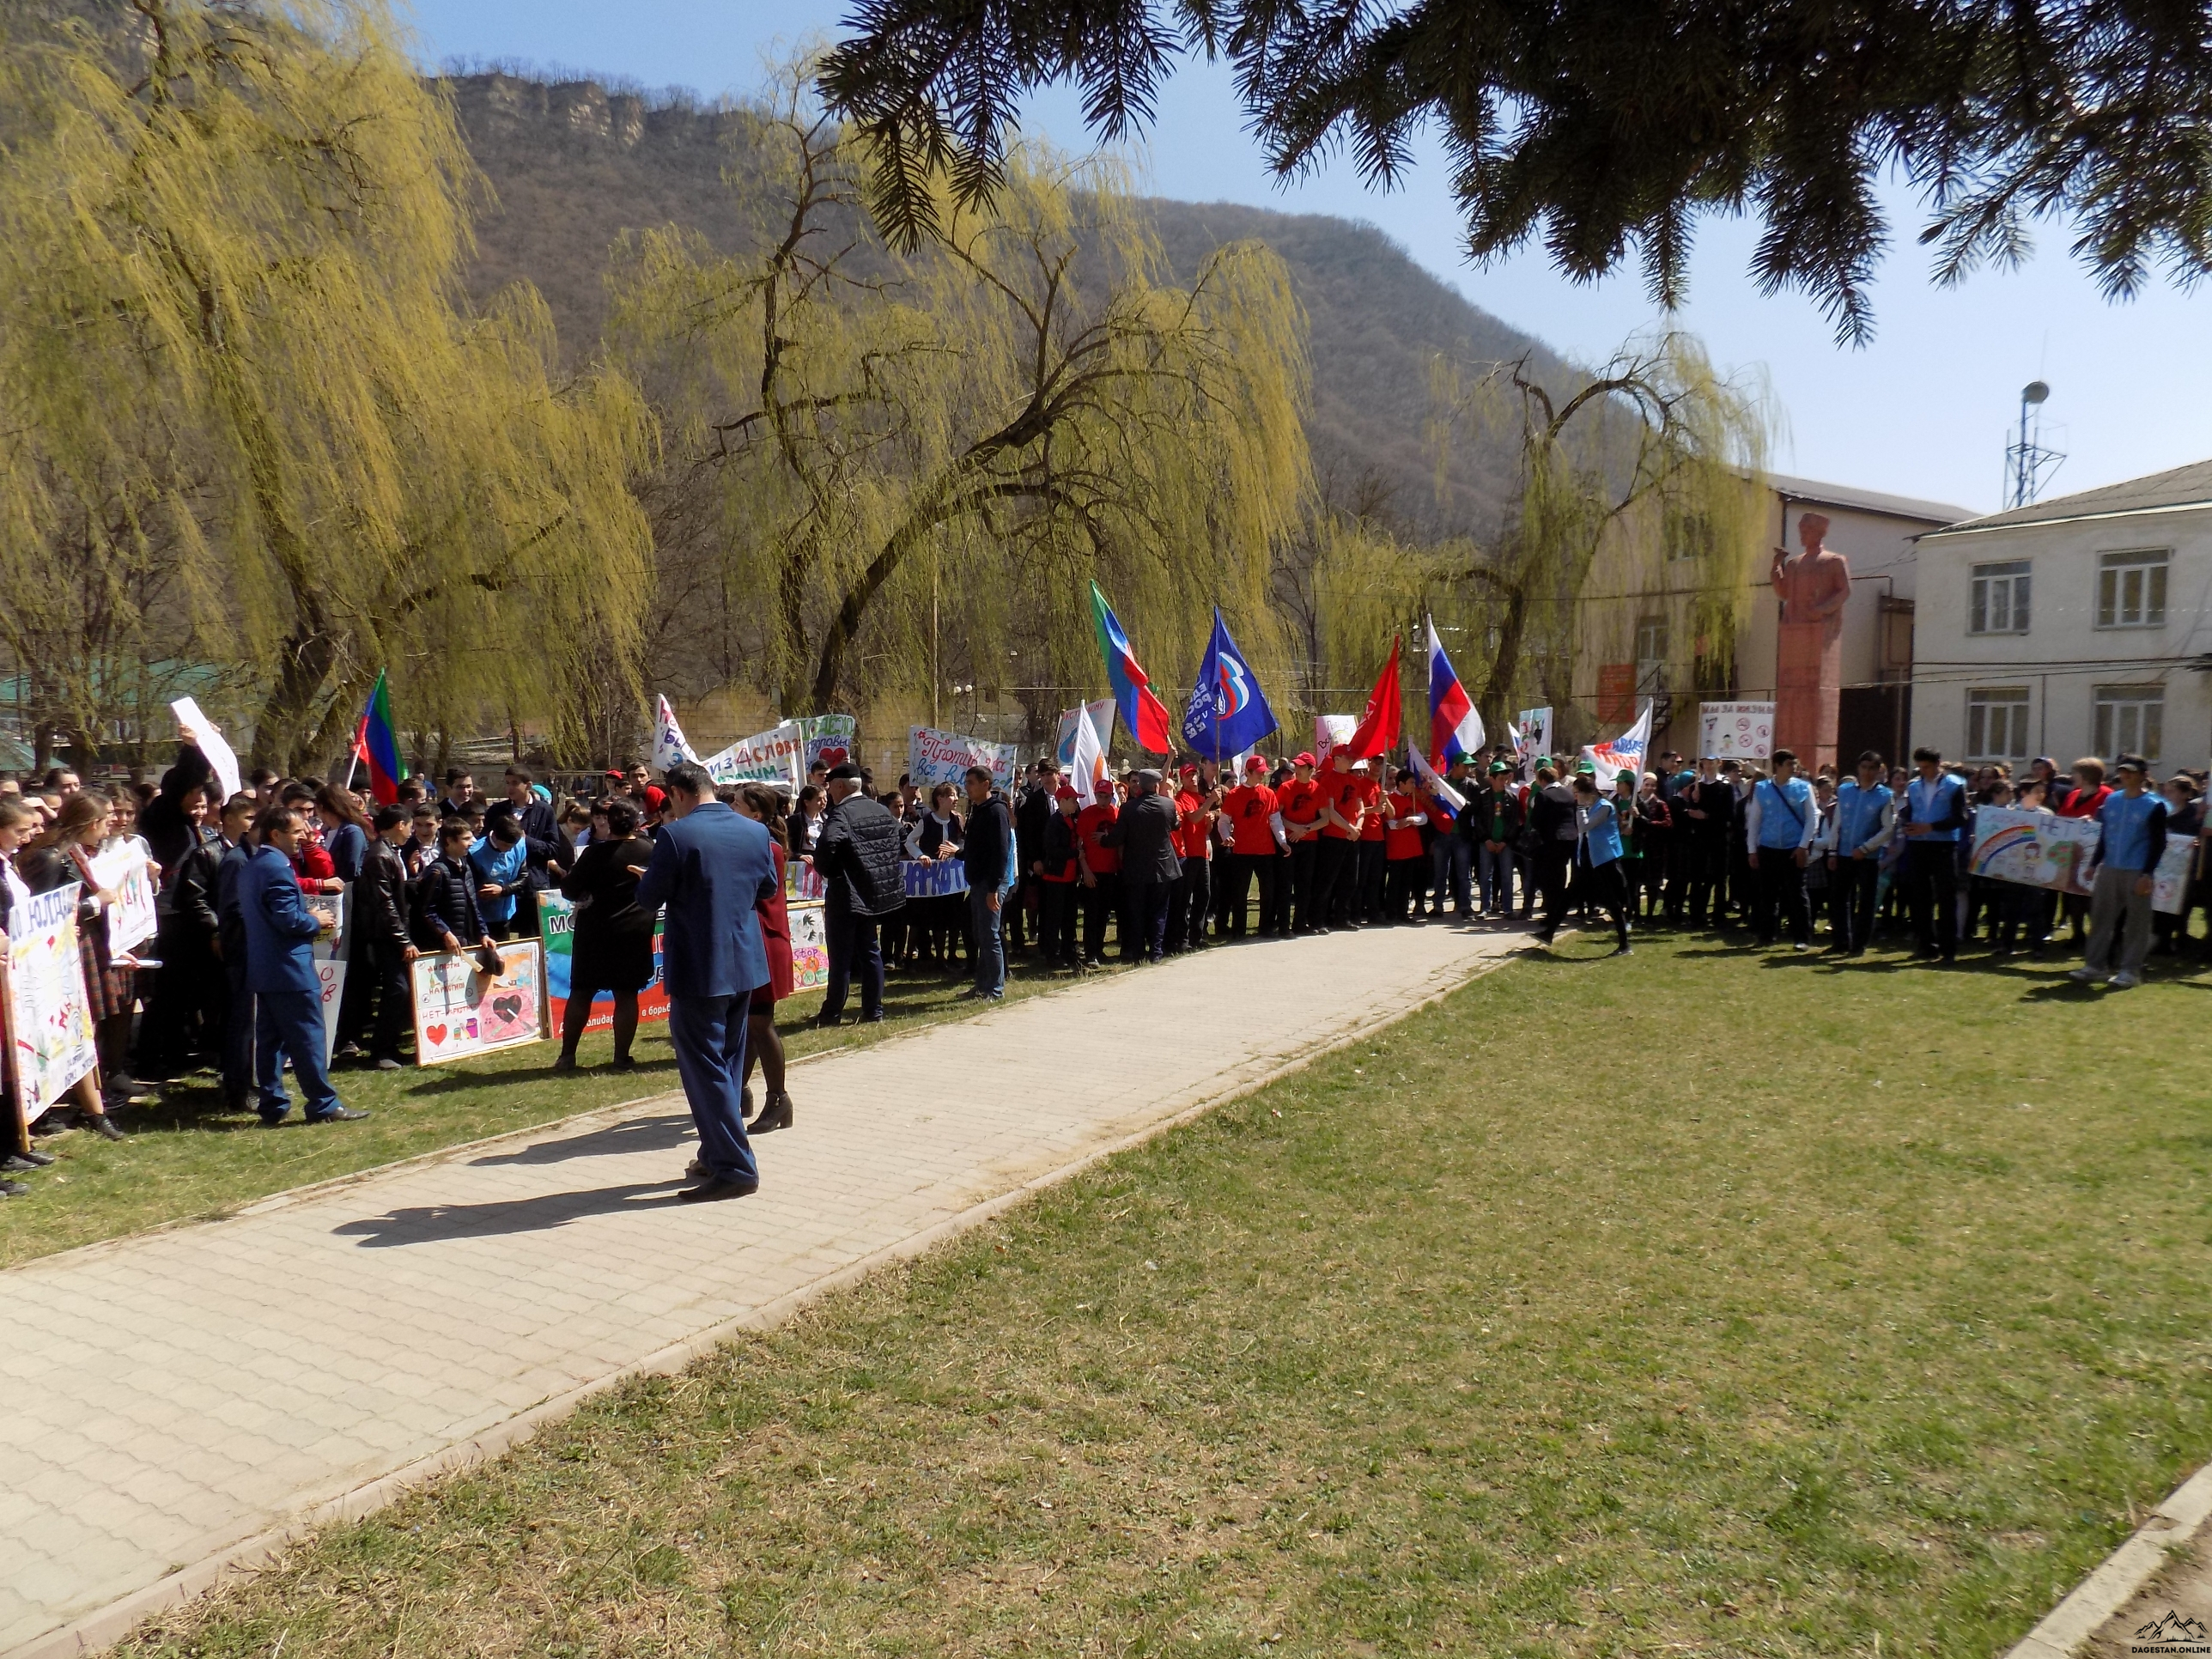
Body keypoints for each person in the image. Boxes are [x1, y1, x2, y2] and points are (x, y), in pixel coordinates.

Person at [635, 761, 777, 1201]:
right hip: (743, 962)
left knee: (704, 1068)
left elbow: (648, 898)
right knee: (729, 1063)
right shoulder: (756, 832)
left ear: (677, 793)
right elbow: (768, 889)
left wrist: (654, 881)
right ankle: (719, 1155)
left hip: (701, 963)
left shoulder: (676, 835)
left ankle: (735, 1166)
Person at [238, 805, 365, 1126]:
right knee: (308, 1037)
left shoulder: (255, 865)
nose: (304, 837)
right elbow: (287, 920)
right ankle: (323, 1104)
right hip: (290, 970)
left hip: (265, 968)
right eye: (297, 832)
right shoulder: (277, 868)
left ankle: (273, 1103)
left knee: (270, 1041)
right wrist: (315, 919)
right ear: (276, 834)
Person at [553, 797, 657, 1072]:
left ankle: (567, 1056)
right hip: (634, 931)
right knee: (626, 994)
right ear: (637, 822)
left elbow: (569, 890)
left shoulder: (594, 854)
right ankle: (621, 1057)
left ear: (607, 823)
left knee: (582, 992)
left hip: (595, 932)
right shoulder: (649, 849)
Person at [812, 763, 905, 1024]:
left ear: (840, 785)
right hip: (873, 892)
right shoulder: (880, 810)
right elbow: (899, 836)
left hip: (846, 892)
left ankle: (832, 1013)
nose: (829, 792)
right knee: (870, 950)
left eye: (830, 787)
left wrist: (828, 869)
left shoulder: (841, 813)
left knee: (841, 956)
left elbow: (829, 843)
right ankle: (873, 1011)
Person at [2072, 754, 2169, 989]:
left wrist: (2147, 874)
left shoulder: (2154, 805)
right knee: (2100, 918)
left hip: (2136, 870)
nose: (2125, 776)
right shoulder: (2112, 801)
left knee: (2136, 922)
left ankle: (2130, 970)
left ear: (2143, 775)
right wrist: (2094, 864)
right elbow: (2105, 836)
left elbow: (2159, 843)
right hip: (2110, 867)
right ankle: (2095, 966)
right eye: (2123, 771)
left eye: (2131, 772)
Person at [732, 784, 795, 1135]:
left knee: (760, 1023)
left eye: (737, 804)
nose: (731, 808)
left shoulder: (765, 847)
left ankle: (778, 1099)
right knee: (750, 1023)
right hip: (754, 939)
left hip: (765, 941)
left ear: (756, 814)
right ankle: (740, 1092)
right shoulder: (756, 842)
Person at [343, 804, 418, 1070]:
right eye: (410, 825)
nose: (411, 831)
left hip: (391, 933)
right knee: (397, 989)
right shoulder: (379, 856)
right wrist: (404, 940)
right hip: (383, 935)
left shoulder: (390, 853)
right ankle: (380, 1050)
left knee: (400, 990)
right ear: (400, 824)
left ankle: (390, 1046)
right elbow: (385, 904)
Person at [1103, 769, 1181, 962]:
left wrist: (1103, 839)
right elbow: (1175, 826)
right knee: (1159, 911)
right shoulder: (1168, 805)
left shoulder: (1129, 808)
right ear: (1156, 786)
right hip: (1163, 867)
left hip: (1136, 868)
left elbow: (1118, 837)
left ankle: (1138, 952)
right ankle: (1156, 951)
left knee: (1136, 911)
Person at [1900, 745, 1967, 963]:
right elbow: (1910, 811)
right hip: (1918, 846)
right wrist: (1905, 823)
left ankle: (1948, 950)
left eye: (1927, 767)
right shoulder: (1913, 786)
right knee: (1920, 898)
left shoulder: (1955, 785)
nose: (1923, 771)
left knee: (1946, 898)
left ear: (1938, 764)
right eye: (1919, 767)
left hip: (1944, 846)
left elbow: (1961, 818)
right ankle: (1926, 945)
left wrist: (1930, 827)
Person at [1745, 747, 1817, 950]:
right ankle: (1767, 935)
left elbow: (1813, 818)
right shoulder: (1762, 788)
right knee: (1768, 895)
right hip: (1768, 847)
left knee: (1797, 895)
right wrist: (1752, 849)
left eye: (1795, 764)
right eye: (1789, 764)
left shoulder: (1804, 788)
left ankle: (1802, 938)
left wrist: (1803, 846)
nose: (1793, 768)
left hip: (1794, 848)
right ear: (1777, 766)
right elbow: (1755, 820)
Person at [1825, 750, 1895, 957]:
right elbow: (1837, 821)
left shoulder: (1884, 795)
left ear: (1878, 770)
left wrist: (1866, 848)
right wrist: (1832, 851)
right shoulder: (1846, 790)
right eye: (1864, 767)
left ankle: (1859, 944)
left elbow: (1888, 828)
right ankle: (1841, 941)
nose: (1867, 772)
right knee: (1839, 899)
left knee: (1866, 901)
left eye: (1872, 768)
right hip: (1844, 853)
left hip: (1867, 857)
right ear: (1858, 768)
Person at [959, 765, 1015, 1000]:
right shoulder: (977, 810)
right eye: (967, 782)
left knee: (990, 935)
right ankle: (982, 985)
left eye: (972, 783)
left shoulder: (996, 812)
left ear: (986, 784)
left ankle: (995, 988)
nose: (967, 787)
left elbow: (1000, 852)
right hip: (977, 881)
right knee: (980, 934)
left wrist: (993, 888)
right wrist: (957, 852)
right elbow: (975, 848)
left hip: (991, 883)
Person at [410, 820, 501, 961]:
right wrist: (445, 933)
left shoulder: (466, 867)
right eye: (466, 839)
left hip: (466, 942)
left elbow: (473, 906)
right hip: (442, 947)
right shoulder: (437, 872)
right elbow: (427, 910)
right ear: (450, 841)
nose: (471, 843)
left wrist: (484, 934)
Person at [1564, 774, 1632, 953]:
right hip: (1595, 861)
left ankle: (1625, 944)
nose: (1575, 796)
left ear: (1587, 792)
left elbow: (1584, 827)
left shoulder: (1604, 807)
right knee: (1583, 894)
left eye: (1577, 793)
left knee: (1614, 903)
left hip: (1606, 860)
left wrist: (1579, 808)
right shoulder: (1593, 806)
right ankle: (1548, 932)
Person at [1216, 755, 1279, 939]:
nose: (1262, 776)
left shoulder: (1269, 794)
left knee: (1268, 891)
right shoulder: (1235, 795)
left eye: (1263, 773)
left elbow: (1275, 821)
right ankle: (1238, 930)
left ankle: (1266, 927)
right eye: (1259, 773)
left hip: (1266, 850)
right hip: (1242, 851)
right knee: (1239, 893)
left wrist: (1282, 841)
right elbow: (1224, 821)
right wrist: (1226, 836)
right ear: (1248, 772)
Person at [1033, 785, 1083, 969]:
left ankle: (1068, 950)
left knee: (1069, 917)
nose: (1076, 803)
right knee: (1054, 917)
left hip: (1069, 877)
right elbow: (1052, 850)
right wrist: (1075, 853)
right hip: (1055, 877)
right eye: (1073, 800)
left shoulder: (1071, 820)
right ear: (1062, 802)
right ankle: (1051, 953)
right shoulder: (1055, 822)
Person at [1075, 780, 1124, 964]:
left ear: (1112, 797)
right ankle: (1090, 952)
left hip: (1111, 870)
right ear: (1095, 796)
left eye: (1107, 797)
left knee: (1104, 912)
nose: (1103, 800)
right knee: (1092, 913)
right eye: (1100, 796)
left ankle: (1099, 948)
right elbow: (1079, 845)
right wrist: (1085, 871)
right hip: (1093, 870)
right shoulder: (1087, 814)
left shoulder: (1116, 814)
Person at [1469, 761, 1522, 917]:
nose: (1504, 781)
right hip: (1487, 843)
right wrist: (1486, 839)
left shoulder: (1512, 798)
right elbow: (1477, 820)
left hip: (1505, 844)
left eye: (1506, 778)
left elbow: (1514, 822)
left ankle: (1508, 908)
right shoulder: (1482, 797)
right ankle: (1485, 907)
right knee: (1485, 876)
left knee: (1507, 876)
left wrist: (1505, 840)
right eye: (1500, 778)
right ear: (1491, 778)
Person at [1279, 754, 1324, 934]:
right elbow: (1277, 816)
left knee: (1304, 885)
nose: (1297, 770)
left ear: (1311, 770)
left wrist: (1305, 830)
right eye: (1296, 766)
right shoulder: (1285, 787)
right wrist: (1294, 828)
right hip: (1289, 842)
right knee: (1285, 884)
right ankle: (1283, 926)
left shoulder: (1318, 789)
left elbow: (1325, 819)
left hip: (1309, 842)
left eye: (1302, 767)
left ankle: (1299, 923)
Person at [469, 813, 532, 941]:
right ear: (495, 836)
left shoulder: (519, 844)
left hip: (506, 914)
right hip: (481, 918)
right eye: (505, 846)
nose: (509, 850)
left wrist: (504, 890)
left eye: (512, 847)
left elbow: (524, 876)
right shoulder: (474, 854)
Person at [1382, 769, 1429, 922]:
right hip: (1397, 847)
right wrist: (1401, 823)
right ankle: (1391, 912)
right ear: (1401, 784)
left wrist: (1409, 820)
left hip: (1412, 848)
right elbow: (1390, 823)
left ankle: (1403, 912)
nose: (1413, 785)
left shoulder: (1413, 798)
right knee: (1395, 882)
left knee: (1407, 882)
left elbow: (1424, 818)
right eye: (1411, 783)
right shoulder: (1391, 798)